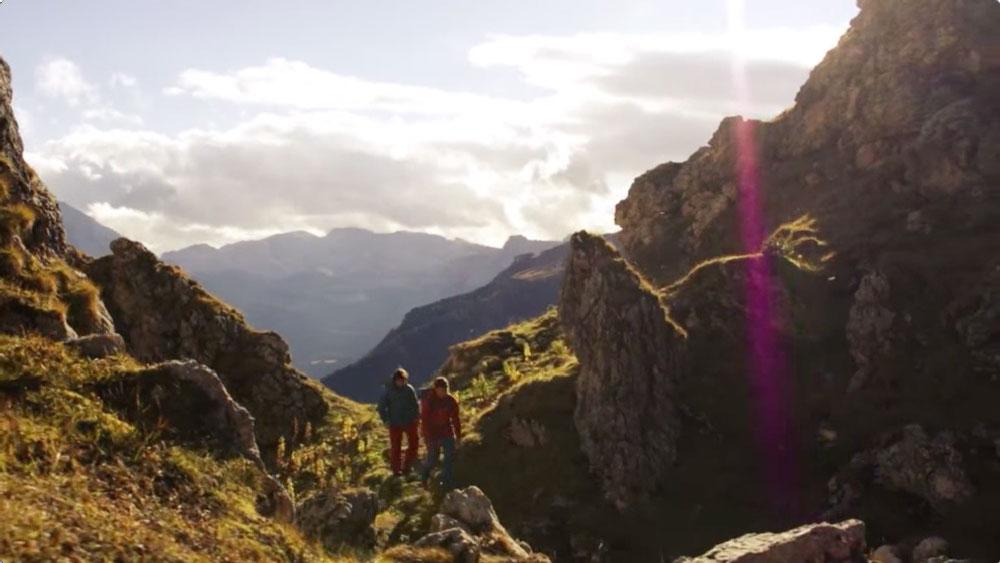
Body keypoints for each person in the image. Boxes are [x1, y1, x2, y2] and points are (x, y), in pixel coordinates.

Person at [419, 376, 462, 490]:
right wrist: (428, 438)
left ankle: (446, 482)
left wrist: (458, 436)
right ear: (436, 390)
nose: (443, 392)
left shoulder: (451, 401)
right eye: (440, 390)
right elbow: (425, 420)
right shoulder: (429, 401)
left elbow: (456, 419)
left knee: (449, 457)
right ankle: (424, 476)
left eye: (445, 390)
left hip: (446, 431)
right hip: (432, 433)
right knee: (433, 459)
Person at [376, 368, 420, 477]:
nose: (400, 382)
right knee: (396, 447)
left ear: (405, 380)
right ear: (394, 380)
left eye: (402, 380)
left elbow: (415, 404)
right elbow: (381, 407)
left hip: (409, 421)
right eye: (398, 380)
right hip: (394, 423)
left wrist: (416, 417)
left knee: (414, 443)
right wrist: (386, 420)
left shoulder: (409, 389)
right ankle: (396, 470)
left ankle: (407, 465)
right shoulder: (388, 392)